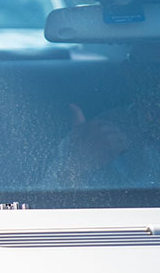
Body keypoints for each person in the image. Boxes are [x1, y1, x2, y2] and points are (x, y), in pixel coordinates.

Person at [46, 41, 160, 188]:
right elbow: (45, 200)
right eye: (154, 70)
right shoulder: (96, 136)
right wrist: (79, 164)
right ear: (130, 72)